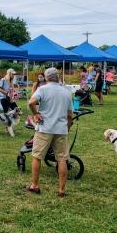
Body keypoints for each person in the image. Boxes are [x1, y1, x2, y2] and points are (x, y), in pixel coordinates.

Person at [27, 68, 73, 197]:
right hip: (61, 129)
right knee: (62, 159)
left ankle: (35, 185)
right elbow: (70, 115)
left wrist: (36, 113)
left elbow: (31, 102)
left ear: (46, 78)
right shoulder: (66, 92)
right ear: (58, 77)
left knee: (37, 156)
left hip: (44, 128)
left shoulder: (42, 89)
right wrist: (68, 127)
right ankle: (61, 190)